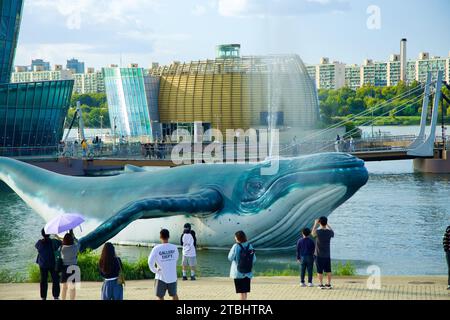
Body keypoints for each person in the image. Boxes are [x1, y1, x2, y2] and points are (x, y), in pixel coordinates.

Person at [148, 229, 180, 300]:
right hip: (172, 276)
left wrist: (156, 271)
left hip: (161, 277)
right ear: (169, 236)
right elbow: (176, 258)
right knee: (174, 295)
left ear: (160, 237)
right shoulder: (174, 247)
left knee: (160, 296)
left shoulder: (156, 248)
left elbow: (150, 263)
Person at [228, 231, 256, 300]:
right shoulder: (250, 245)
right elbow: (254, 259)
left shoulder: (236, 246)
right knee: (245, 291)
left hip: (238, 272)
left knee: (241, 292)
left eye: (235, 236)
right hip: (248, 272)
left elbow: (230, 258)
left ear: (237, 238)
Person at [35, 228, 61, 300]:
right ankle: (56, 296)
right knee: (55, 279)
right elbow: (60, 243)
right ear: (49, 234)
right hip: (53, 263)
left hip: (43, 264)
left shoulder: (39, 242)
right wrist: (57, 237)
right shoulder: (54, 241)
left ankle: (43, 297)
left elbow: (36, 247)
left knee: (43, 280)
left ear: (42, 234)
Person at [312, 217, 334, 289]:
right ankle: (328, 284)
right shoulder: (329, 232)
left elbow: (312, 233)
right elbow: (332, 231)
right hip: (327, 255)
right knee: (328, 270)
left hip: (318, 255)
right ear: (326, 222)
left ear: (319, 223)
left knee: (319, 270)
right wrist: (327, 224)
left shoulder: (318, 232)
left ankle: (321, 284)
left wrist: (315, 224)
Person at [60, 230, 79, 300]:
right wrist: (74, 238)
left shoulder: (62, 248)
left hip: (64, 268)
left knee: (64, 287)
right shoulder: (75, 247)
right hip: (74, 267)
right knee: (72, 287)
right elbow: (79, 242)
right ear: (72, 240)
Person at [444, 226, 450, 290]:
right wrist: (446, 249)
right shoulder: (448, 229)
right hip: (449, 252)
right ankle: (449, 284)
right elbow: (445, 240)